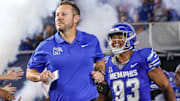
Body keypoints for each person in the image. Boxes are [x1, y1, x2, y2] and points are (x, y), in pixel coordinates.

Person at [26, 1, 105, 101]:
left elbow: (100, 61)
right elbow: (30, 72)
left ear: (76, 18)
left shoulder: (91, 40)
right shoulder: (45, 46)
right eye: (57, 15)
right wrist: (39, 76)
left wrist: (100, 72)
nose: (58, 18)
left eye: (64, 14)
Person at [97, 22, 176, 101]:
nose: (116, 41)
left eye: (120, 36)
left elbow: (165, 86)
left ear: (131, 38)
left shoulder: (143, 57)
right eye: (113, 37)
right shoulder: (106, 63)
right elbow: (104, 94)